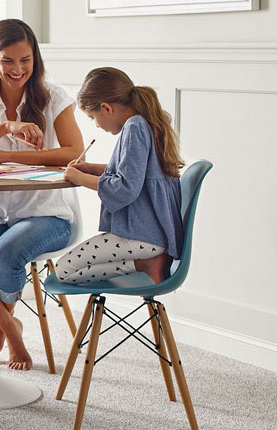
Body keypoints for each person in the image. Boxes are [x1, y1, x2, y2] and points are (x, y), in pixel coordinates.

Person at [0, 19, 84, 371]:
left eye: (25, 60)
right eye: (8, 60)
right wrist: (5, 128)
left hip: (47, 213)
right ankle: (10, 327)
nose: (18, 69)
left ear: (34, 59)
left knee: (4, 255)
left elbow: (73, 152)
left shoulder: (53, 97)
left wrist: (8, 155)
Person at [57, 67, 184, 285]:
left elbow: (125, 188)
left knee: (63, 269)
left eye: (92, 118)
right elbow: (135, 172)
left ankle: (143, 264)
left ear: (106, 108)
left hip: (143, 237)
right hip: (152, 233)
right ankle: (143, 263)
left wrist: (78, 178)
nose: (96, 124)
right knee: (70, 267)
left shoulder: (134, 128)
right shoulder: (143, 122)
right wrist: (91, 169)